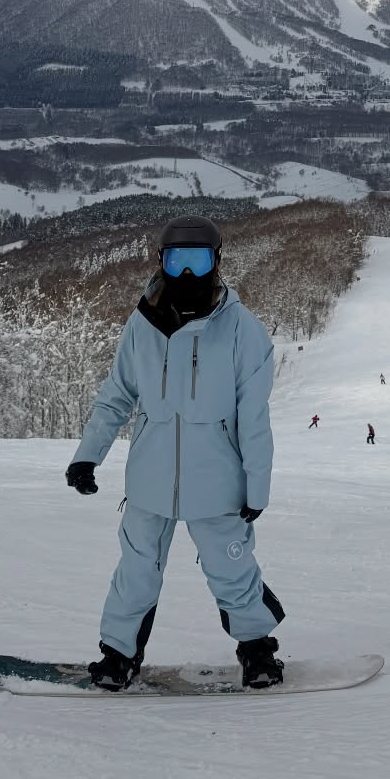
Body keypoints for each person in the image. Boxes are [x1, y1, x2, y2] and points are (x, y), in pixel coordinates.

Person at [65, 217, 285, 690]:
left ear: (217, 262)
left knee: (231, 567)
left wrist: (257, 485)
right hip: (150, 476)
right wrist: (88, 455)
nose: (187, 274)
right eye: (176, 261)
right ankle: (118, 656)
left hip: (218, 478)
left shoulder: (242, 329)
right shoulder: (141, 325)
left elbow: (254, 416)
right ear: (160, 261)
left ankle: (258, 651)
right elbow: (116, 395)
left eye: (198, 261)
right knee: (136, 571)